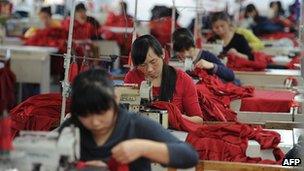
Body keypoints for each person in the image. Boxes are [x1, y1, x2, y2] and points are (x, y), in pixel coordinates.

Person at [59, 68, 199, 170]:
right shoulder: (72, 127)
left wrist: (143, 147)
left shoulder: (136, 126)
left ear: (115, 99)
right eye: (85, 115)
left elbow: (189, 156)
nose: (95, 122)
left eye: (101, 113)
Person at [124, 35, 203, 124]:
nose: (149, 69)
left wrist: (176, 116)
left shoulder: (183, 79)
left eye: (153, 62)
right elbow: (125, 115)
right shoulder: (131, 78)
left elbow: (198, 120)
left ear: (163, 54)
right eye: (143, 65)